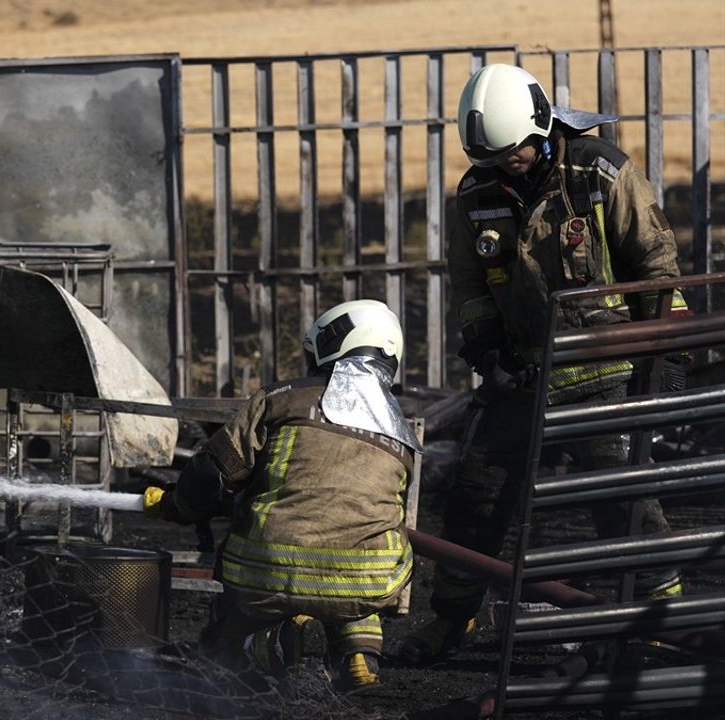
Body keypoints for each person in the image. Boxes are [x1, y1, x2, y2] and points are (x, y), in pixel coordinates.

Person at [399, 63, 685, 665]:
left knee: (623, 498)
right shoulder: (476, 193)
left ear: (540, 125)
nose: (508, 163)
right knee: (475, 498)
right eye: (494, 156)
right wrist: (482, 346)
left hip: (604, 370)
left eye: (515, 150)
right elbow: (472, 283)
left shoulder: (601, 171)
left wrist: (666, 350)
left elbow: (657, 266)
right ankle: (451, 620)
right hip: (522, 374)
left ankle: (666, 621)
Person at [147, 299, 422, 692]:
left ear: (335, 344)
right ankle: (360, 651)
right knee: (353, 564)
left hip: (268, 571)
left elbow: (213, 471)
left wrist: (175, 505)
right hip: (368, 581)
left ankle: (268, 643)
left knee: (225, 643)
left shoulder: (280, 399)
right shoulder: (402, 433)